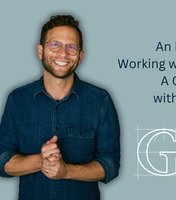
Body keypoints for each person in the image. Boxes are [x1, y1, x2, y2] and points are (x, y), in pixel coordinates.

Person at [0, 15, 120, 200]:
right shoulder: (17, 100)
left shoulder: (100, 100)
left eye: (71, 47)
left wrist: (66, 171)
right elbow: (2, 161)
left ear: (80, 56)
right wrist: (41, 160)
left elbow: (110, 165)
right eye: (54, 44)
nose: (63, 53)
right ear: (40, 51)